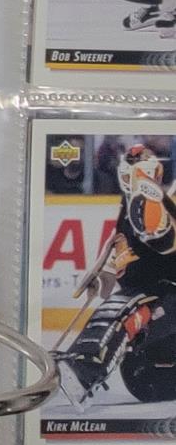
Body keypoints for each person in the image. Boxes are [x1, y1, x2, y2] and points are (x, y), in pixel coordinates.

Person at [56, 143, 176, 406]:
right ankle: (81, 365)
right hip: (150, 373)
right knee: (118, 310)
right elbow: (127, 245)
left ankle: (84, 371)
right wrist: (108, 271)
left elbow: (163, 242)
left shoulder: (156, 202)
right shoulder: (135, 207)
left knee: (130, 311)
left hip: (168, 292)